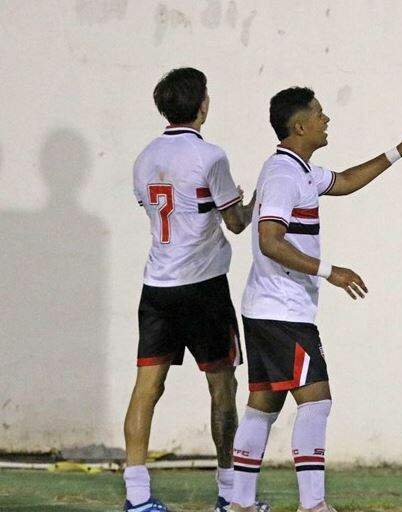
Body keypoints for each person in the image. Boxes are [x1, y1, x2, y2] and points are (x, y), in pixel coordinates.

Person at [229, 87, 402, 512]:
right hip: (282, 310)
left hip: (267, 307)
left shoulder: (295, 169)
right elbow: (270, 240)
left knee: (263, 405)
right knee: (316, 400)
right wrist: (330, 272)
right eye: (320, 115)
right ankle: (313, 504)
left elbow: (343, 182)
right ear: (299, 125)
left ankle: (240, 502)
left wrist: (399, 151)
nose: (327, 120)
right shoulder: (285, 176)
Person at [125, 68, 256, 512]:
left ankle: (137, 496)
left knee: (147, 388)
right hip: (202, 289)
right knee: (222, 386)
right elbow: (236, 224)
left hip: (157, 286)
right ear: (202, 104)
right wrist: (250, 199)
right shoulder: (211, 156)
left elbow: (157, 210)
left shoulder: (144, 157)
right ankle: (228, 490)